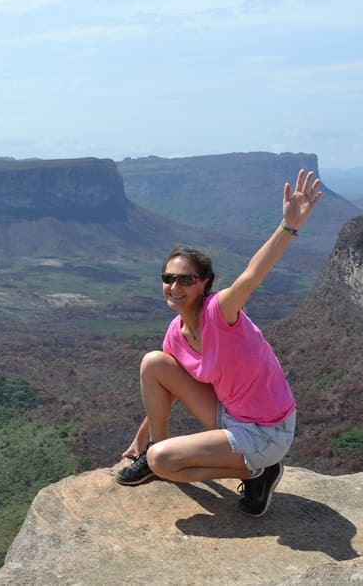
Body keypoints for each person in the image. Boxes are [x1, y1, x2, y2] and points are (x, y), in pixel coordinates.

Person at [115, 169, 321, 517]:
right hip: (229, 416)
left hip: (266, 432)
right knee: (154, 363)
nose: (174, 287)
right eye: (168, 279)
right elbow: (165, 390)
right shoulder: (176, 331)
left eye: (185, 280)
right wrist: (140, 441)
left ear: (204, 283)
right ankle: (154, 450)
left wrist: (288, 226)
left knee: (164, 462)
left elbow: (252, 275)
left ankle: (258, 469)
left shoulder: (220, 312)